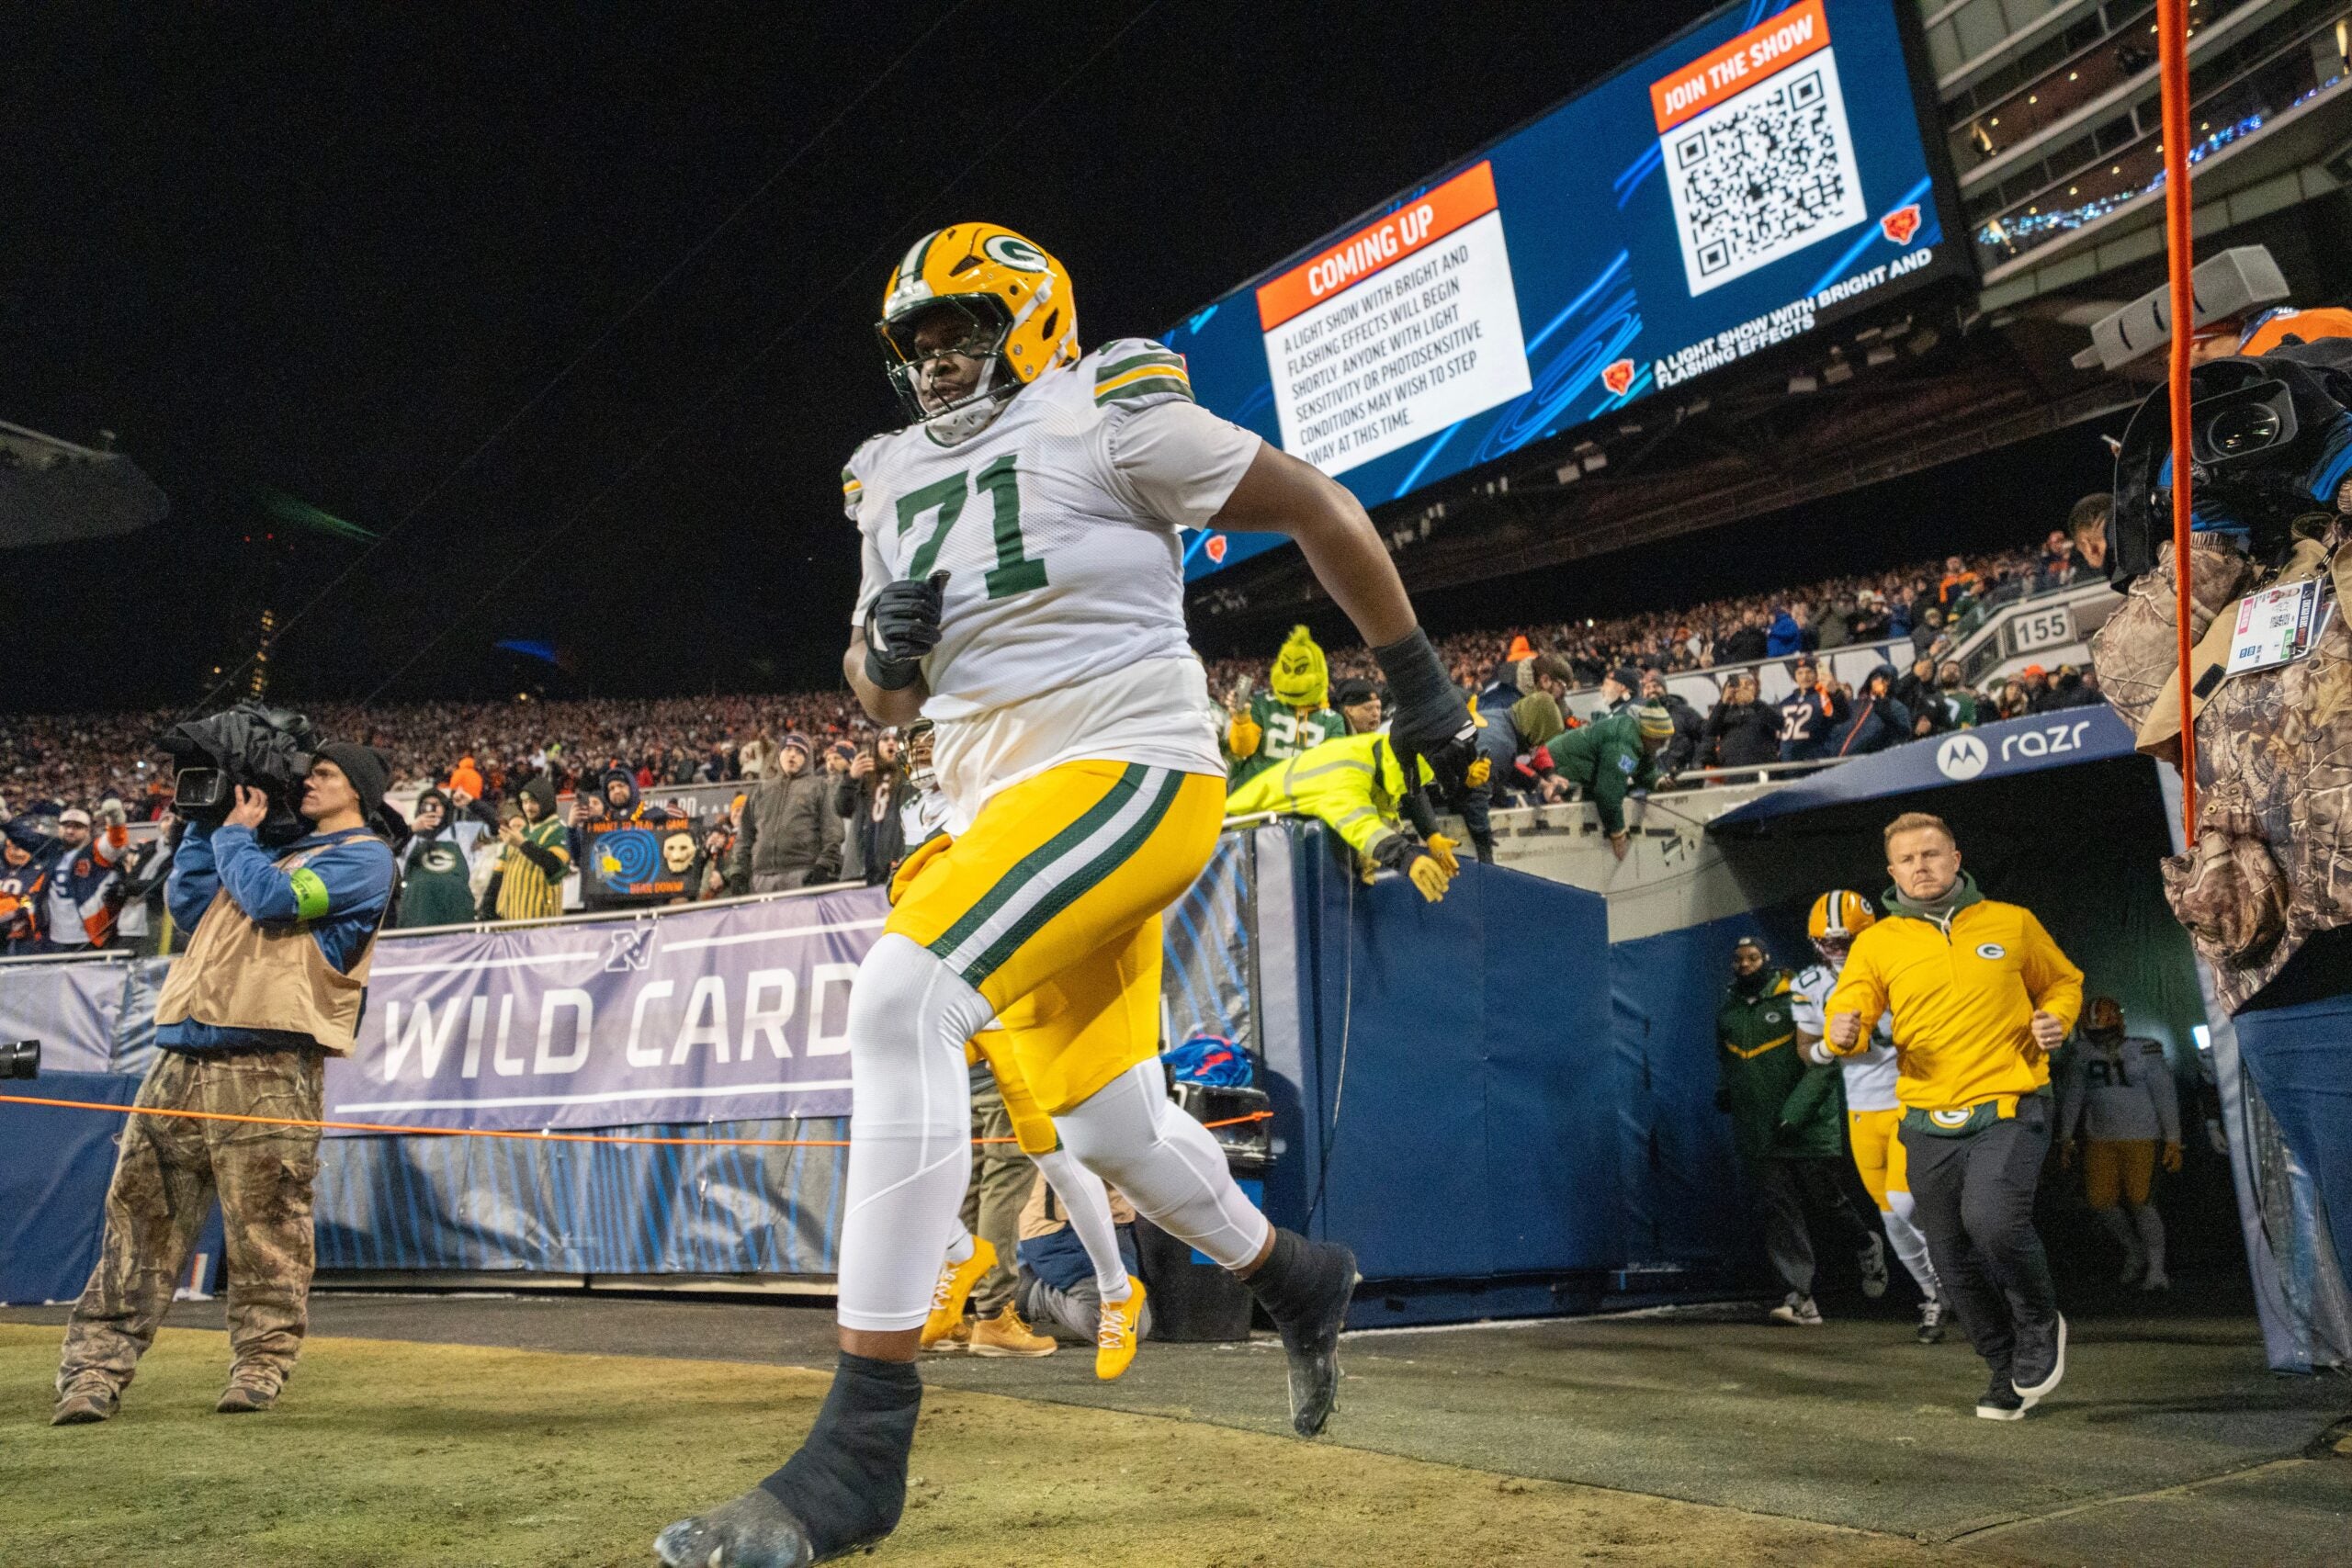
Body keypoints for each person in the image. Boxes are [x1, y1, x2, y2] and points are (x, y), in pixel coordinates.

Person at [654, 220, 1476, 1566]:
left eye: (962, 328)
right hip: (998, 807)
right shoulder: (887, 475)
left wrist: (1423, 681)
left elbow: (1322, 504)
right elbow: (882, 691)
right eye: (917, 341)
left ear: (1030, 320)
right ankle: (1294, 1272)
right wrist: (881, 653)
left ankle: (860, 1447)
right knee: (1106, 1131)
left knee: (901, 996)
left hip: (1126, 765)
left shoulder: (1108, 417)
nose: (937, 359)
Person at [51, 746, 396, 1425]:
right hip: (182, 1048)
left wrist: (237, 836)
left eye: (324, 775)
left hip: (269, 1057)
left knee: (266, 1221)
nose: (308, 782)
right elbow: (185, 906)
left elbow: (273, 903)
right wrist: (207, 829)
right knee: (138, 1215)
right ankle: (93, 1371)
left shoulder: (364, 858)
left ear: (359, 792)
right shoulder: (263, 847)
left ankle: (261, 1364)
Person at [1826, 813, 2083, 1420]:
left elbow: (2063, 982)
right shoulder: (1878, 942)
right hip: (1924, 1117)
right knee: (1950, 1259)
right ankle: (2004, 1368)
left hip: (2010, 1103)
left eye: (1932, 853)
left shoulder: (2011, 922)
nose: (1921, 865)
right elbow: (1851, 1003)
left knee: (1993, 1219)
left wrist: (2057, 1018)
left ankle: (2039, 1323)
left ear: (1956, 857)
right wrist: (1844, 1028)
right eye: (1908, 859)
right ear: (1892, 872)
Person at [1793, 892, 1946, 1342]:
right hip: (1861, 1110)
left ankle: (1958, 1277)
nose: (1836, 950)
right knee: (1891, 1217)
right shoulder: (1808, 983)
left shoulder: (1900, 964)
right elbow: (1806, 1049)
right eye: (1827, 942)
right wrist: (1830, 1047)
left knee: (1905, 1201)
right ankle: (1934, 1295)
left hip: (1909, 1097)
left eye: (1845, 941)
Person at [1717, 937, 1882, 1327]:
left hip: (1804, 1127)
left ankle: (1865, 1243)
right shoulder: (1728, 1011)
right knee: (1780, 1211)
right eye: (1738, 959)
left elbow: (1823, 1062)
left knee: (1826, 1200)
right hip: (1760, 1131)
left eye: (1753, 957)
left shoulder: (1797, 998)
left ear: (1767, 959)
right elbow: (1726, 1061)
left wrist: (1795, 1113)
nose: (1745, 965)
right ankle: (1799, 1298)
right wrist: (1727, 1092)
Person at [1225, 728, 1461, 897]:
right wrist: (1408, 859)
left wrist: (1432, 835)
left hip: (1269, 837)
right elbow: (1358, 822)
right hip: (1237, 837)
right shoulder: (1345, 774)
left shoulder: (1379, 750)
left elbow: (1403, 792)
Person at [2056, 998, 2181, 1292]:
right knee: (2101, 1202)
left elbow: (2164, 1094)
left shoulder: (2143, 1050)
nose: (2101, 1040)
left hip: (2142, 1136)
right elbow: (2075, 1094)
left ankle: (2156, 1268)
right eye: (2095, 1034)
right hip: (2100, 1137)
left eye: (2106, 1032)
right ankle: (2134, 1249)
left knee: (2142, 1202)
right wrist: (2066, 1137)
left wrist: (2173, 1138)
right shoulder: (2081, 1053)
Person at [1541, 703, 1670, 860]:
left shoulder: (1634, 736)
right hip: (1558, 766)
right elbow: (1608, 793)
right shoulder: (1621, 747)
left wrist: (1658, 780)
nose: (1664, 744)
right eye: (1661, 740)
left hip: (1561, 763)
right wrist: (1618, 833)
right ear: (1649, 734)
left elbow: (1642, 766)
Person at [1223, 625, 1348, 785]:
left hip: (1303, 801)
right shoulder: (1262, 703)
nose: (1291, 680)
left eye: (1302, 670)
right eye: (1287, 669)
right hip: (1258, 797)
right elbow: (1243, 750)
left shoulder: (1333, 720)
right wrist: (1241, 719)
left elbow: (1332, 767)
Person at [729, 733, 842, 892]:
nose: (792, 754)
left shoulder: (819, 787)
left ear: (807, 759)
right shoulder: (760, 791)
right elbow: (745, 836)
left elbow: (833, 831)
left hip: (802, 873)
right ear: (779, 754)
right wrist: (738, 872)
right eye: (788, 749)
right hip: (760, 877)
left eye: (799, 751)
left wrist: (824, 866)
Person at [394, 787, 477, 929]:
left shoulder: (460, 832)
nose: (432, 809)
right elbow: (389, 851)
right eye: (427, 804)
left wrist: (472, 802)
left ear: (445, 808)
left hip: (456, 911)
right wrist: (411, 830)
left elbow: (494, 826)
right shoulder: (408, 836)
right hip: (418, 912)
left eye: (437, 804)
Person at [492, 774, 569, 921]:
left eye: (533, 802)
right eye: (525, 802)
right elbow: (498, 875)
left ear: (546, 802)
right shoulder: (521, 832)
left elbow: (555, 866)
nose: (528, 807)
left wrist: (523, 845)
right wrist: (489, 911)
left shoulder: (559, 830)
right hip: (509, 921)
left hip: (540, 925)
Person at [1699, 672, 1780, 773]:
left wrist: (1753, 702)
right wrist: (1723, 702)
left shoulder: (1765, 708)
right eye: (1739, 685)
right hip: (1732, 769)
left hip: (1762, 767)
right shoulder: (1724, 712)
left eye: (1748, 684)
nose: (1743, 688)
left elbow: (1779, 723)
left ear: (1757, 688)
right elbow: (1709, 730)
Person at [1831, 664, 1913, 758]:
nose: (1880, 682)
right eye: (1877, 677)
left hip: (1872, 760)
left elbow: (1903, 734)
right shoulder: (1855, 704)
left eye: (1886, 679)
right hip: (1838, 758)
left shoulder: (1897, 707)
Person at [1777, 659, 1847, 763]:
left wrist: (1835, 694)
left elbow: (1842, 716)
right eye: (1800, 673)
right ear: (1794, 676)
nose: (1804, 677)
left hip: (1815, 759)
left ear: (1816, 674)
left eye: (1809, 672)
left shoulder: (1823, 697)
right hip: (1788, 761)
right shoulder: (1785, 702)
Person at [1638, 669, 1702, 776]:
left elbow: (1705, 736)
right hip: (1655, 785)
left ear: (1665, 689)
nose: (1652, 690)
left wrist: (1697, 764)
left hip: (1685, 781)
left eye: (1656, 686)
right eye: (1647, 687)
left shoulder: (1684, 712)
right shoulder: (1638, 720)